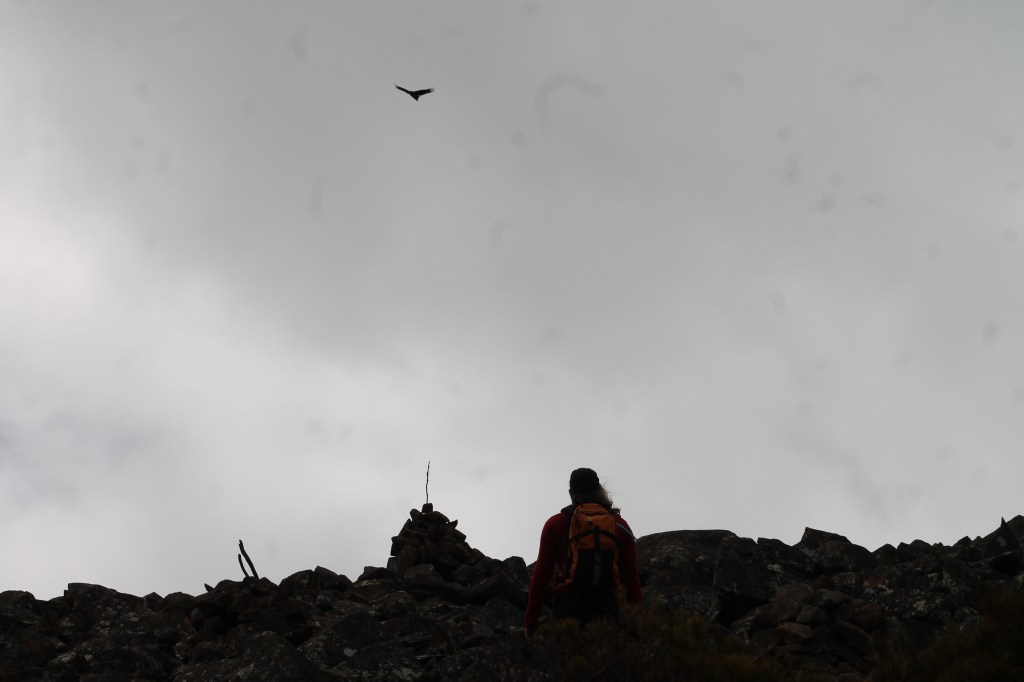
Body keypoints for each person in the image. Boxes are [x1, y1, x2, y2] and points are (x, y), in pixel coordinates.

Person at [525, 468, 642, 638]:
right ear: (598, 489)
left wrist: (531, 623)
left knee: (570, 659)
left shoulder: (555, 523)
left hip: (568, 606)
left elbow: (542, 575)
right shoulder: (619, 524)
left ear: (571, 493)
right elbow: (631, 578)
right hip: (607, 606)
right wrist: (637, 625)